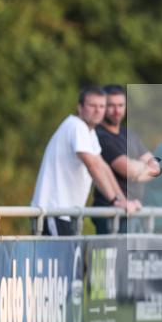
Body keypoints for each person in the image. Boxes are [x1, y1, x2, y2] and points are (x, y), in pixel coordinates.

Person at [31, 86, 140, 236]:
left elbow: (103, 166)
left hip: (65, 213)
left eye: (102, 106)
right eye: (92, 105)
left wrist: (123, 200)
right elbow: (92, 165)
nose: (98, 110)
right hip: (53, 210)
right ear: (80, 107)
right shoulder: (76, 126)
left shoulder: (90, 131)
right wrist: (114, 200)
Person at [92, 84, 161, 234]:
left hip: (134, 209)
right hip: (112, 213)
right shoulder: (100, 136)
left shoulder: (128, 134)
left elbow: (157, 168)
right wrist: (141, 167)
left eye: (120, 105)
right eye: (111, 106)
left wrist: (137, 171)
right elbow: (128, 170)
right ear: (103, 106)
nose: (117, 111)